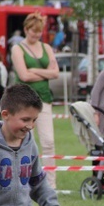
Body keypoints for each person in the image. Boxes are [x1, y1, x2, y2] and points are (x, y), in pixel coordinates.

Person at [11, 12, 61, 190]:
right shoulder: (18, 49)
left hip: (44, 100)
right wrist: (44, 72)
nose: (36, 35)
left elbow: (55, 73)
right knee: (23, 142)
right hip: (24, 102)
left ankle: (50, 185)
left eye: (39, 32)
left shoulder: (47, 47)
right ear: (26, 29)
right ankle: (21, 181)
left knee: (48, 142)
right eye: (33, 32)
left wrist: (34, 70)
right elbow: (23, 75)